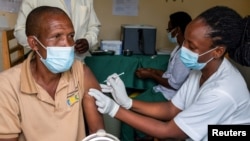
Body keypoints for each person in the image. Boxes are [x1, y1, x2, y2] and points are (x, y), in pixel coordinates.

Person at [88, 6, 250, 141]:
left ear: (218, 51)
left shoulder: (222, 91)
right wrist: (128, 103)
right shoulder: (201, 69)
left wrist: (113, 108)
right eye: (184, 40)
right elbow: (172, 109)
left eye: (192, 47)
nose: (183, 49)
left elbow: (169, 131)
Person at [0, 6, 104, 141]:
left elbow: (98, 133)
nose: (67, 44)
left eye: (71, 36)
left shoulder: (82, 73)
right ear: (34, 43)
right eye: (56, 36)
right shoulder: (7, 86)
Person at [114, 11, 192, 141]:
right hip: (161, 91)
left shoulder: (184, 54)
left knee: (126, 113)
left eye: (169, 29)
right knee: (129, 107)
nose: (168, 33)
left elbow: (174, 84)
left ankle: (146, 135)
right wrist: (153, 71)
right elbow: (170, 75)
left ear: (177, 30)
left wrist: (151, 74)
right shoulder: (178, 48)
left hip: (168, 97)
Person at [14, 0, 101, 61]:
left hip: (78, 60)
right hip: (47, 62)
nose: (66, 44)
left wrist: (88, 41)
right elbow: (20, 31)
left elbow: (94, 26)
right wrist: (44, 47)